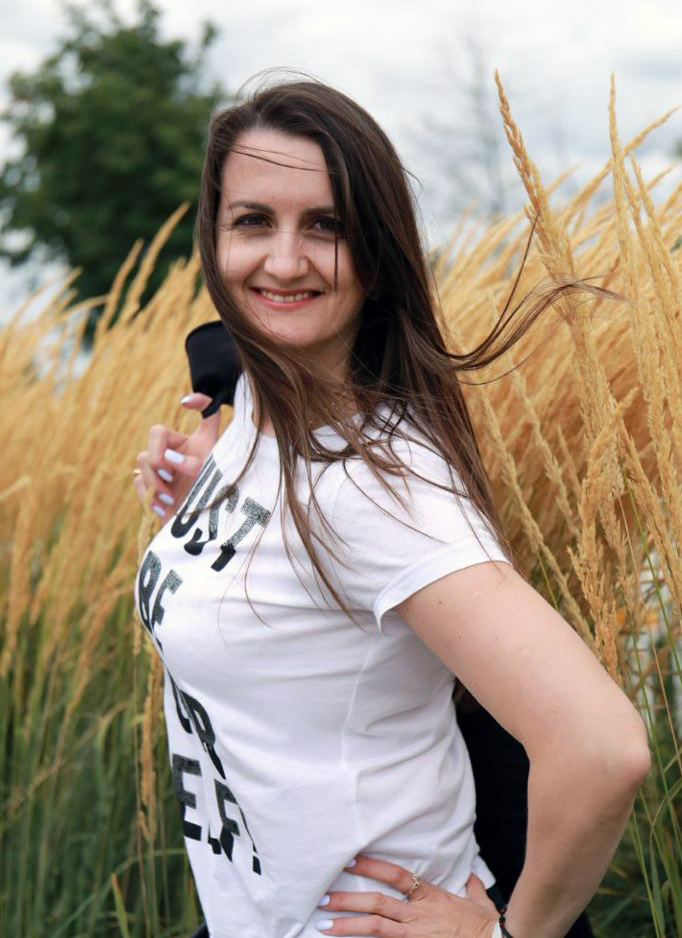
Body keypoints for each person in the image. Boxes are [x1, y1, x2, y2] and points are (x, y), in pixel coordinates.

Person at [133, 79, 650, 938]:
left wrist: (505, 937)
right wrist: (207, 498)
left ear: (377, 253)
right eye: (254, 221)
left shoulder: (379, 486)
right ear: (214, 239)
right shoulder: (260, 403)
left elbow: (603, 749)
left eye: (326, 227)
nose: (284, 261)